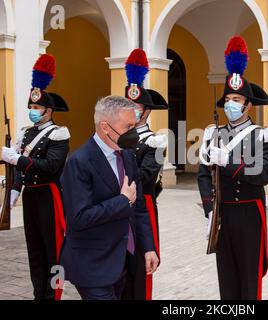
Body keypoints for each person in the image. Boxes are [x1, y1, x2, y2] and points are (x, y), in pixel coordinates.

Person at [198, 36, 268, 300]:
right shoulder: (212, 133)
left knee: (249, 278)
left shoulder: (262, 135)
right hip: (223, 213)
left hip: (249, 212)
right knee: (226, 276)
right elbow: (202, 175)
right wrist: (209, 209)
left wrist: (228, 163)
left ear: (248, 104)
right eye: (228, 98)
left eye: (237, 99)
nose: (231, 103)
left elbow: (263, 175)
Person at [60, 96, 159, 300]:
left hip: (122, 261)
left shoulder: (127, 155)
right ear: (105, 127)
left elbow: (139, 208)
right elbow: (79, 217)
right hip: (93, 265)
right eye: (128, 126)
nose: (134, 132)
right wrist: (122, 201)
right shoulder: (79, 162)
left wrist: (149, 247)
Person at [1, 54, 70, 300]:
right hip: (31, 195)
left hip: (49, 196)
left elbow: (50, 166)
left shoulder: (59, 134)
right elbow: (21, 169)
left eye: (37, 108)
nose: (33, 111)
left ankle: (54, 294)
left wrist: (16, 159)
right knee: (35, 250)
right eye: (31, 107)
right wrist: (15, 189)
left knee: (54, 250)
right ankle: (38, 293)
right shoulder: (27, 133)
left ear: (48, 111)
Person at [120, 49, 168, 300]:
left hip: (143, 206)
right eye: (127, 105)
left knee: (140, 267)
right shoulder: (115, 138)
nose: (132, 110)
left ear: (147, 110)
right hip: (116, 205)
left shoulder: (158, 141)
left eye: (136, 106)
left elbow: (148, 175)